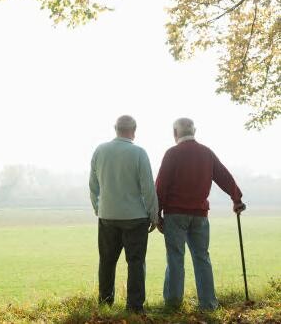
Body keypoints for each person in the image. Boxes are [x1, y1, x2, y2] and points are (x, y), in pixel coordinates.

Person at [156, 118, 246, 310]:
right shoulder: (206, 153)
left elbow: (161, 185)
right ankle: (208, 304)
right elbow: (223, 175)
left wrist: (157, 213)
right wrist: (236, 198)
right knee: (201, 257)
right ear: (194, 131)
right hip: (200, 215)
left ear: (175, 132)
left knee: (175, 258)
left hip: (176, 214)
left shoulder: (172, 153)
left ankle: (173, 304)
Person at [89, 115, 159, 313]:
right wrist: (153, 215)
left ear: (115, 128)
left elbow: (93, 185)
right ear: (134, 130)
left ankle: (105, 304)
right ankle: (135, 307)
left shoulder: (100, 150)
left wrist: (98, 208)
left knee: (107, 261)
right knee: (136, 263)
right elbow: (148, 188)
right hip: (135, 218)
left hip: (107, 216)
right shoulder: (139, 153)